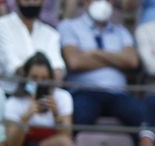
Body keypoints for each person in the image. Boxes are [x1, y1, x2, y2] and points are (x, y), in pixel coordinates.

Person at [60, 0, 145, 138]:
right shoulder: (69, 26)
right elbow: (75, 62)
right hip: (84, 92)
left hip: (117, 93)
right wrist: (116, 60)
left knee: (140, 117)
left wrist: (96, 53)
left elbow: (132, 61)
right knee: (82, 115)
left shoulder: (120, 31)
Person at [1, 52, 90, 146]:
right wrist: (26, 118)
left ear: (50, 79)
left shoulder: (62, 97)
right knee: (60, 143)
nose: (39, 83)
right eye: (34, 78)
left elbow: (67, 138)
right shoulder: (14, 103)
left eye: (44, 78)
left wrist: (56, 115)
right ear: (25, 78)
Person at [0, 0, 64, 78]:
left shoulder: (51, 33)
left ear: (43, 2)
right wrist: (37, 76)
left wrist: (44, 79)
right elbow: (11, 64)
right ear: (17, 1)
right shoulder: (2, 25)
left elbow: (57, 67)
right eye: (27, 0)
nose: (31, 3)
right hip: (9, 88)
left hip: (45, 88)